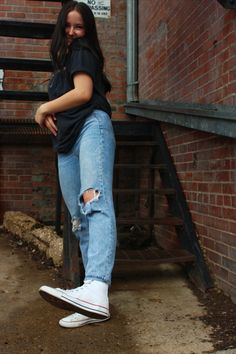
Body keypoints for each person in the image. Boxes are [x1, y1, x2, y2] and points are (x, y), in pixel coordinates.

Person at [35, 1, 116, 329]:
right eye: (67, 26)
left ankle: (98, 285)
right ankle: (90, 300)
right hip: (67, 145)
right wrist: (50, 111)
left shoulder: (83, 51)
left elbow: (83, 94)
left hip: (90, 129)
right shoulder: (63, 66)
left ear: (87, 31)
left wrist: (42, 108)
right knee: (79, 219)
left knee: (94, 203)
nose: (72, 32)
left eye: (79, 26)